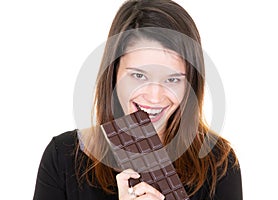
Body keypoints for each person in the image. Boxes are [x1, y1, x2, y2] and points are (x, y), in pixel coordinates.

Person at [33, 0, 243, 199]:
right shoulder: (63, 157)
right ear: (113, 73)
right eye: (139, 76)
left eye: (172, 79)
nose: (154, 97)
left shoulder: (219, 164)